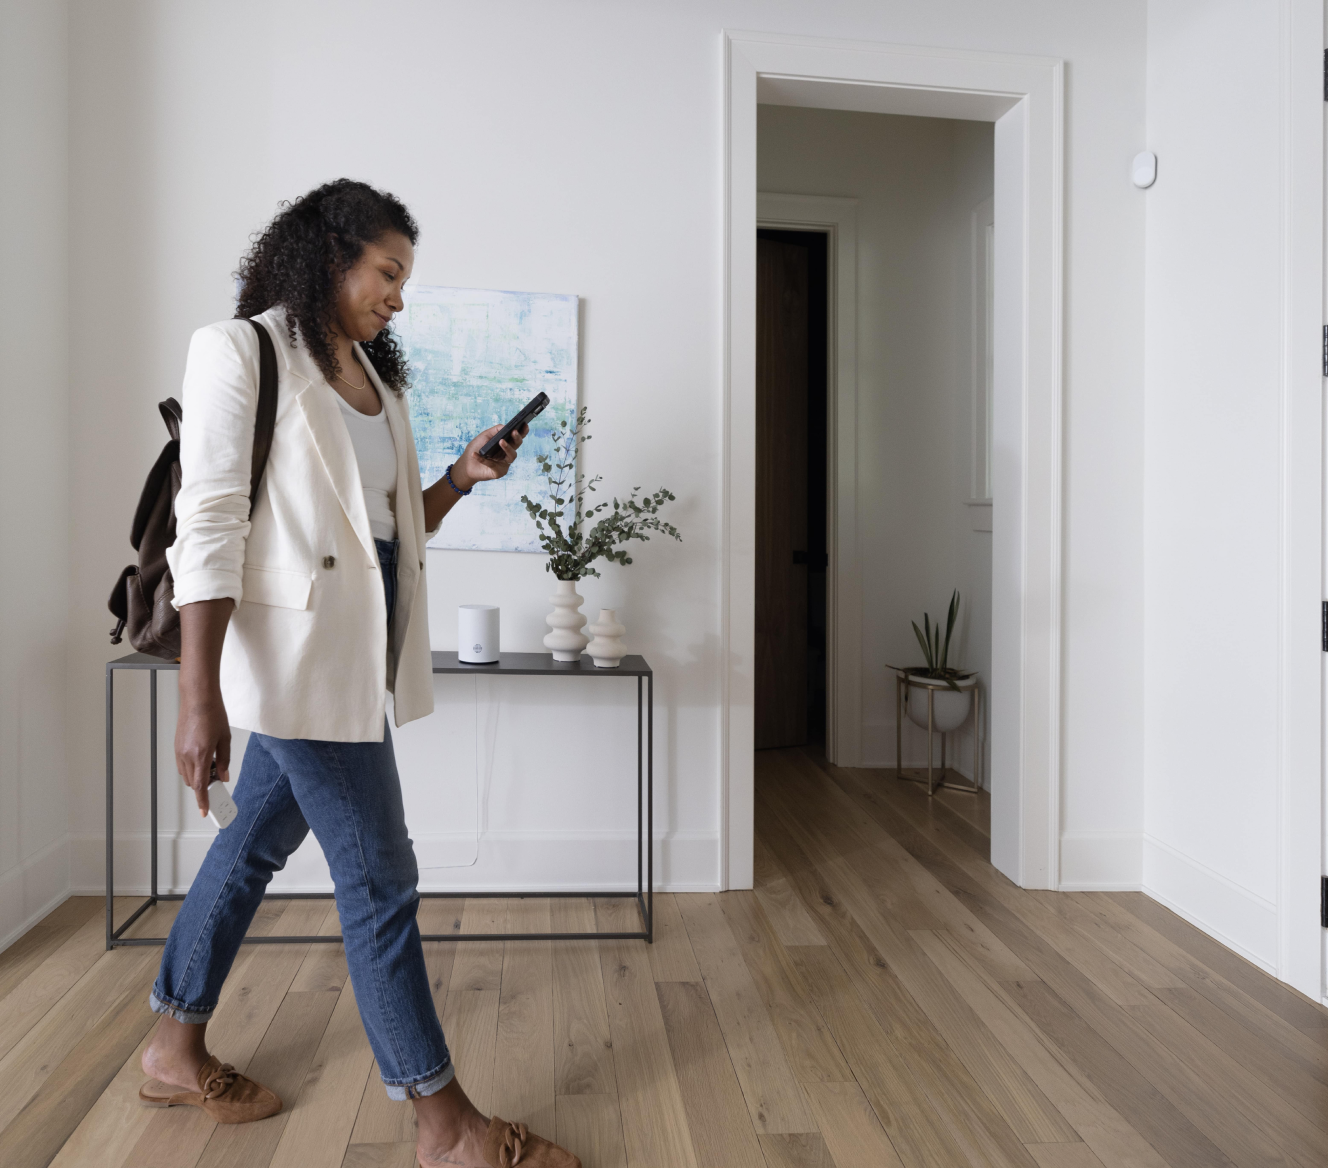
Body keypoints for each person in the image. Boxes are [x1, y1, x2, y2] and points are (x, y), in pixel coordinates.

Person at [136, 179, 579, 1168]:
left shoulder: (374, 379)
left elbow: (389, 530)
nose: (398, 297)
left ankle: (172, 1040)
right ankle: (446, 1124)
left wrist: (460, 479)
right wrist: (196, 696)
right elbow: (207, 528)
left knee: (247, 849)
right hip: (292, 669)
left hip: (355, 665)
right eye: (388, 272)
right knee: (380, 879)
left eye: (404, 279)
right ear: (332, 253)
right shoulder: (240, 349)